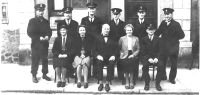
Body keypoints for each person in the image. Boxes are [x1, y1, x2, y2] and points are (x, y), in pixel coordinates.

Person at [155, 8, 185, 84]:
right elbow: (157, 33)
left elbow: (182, 35)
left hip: (173, 48)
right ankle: (163, 75)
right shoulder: (163, 23)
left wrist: (173, 39)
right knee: (162, 63)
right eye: (165, 14)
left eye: (168, 14)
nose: (167, 16)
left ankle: (172, 78)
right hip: (163, 47)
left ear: (171, 14)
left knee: (173, 64)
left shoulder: (176, 24)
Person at [27, 3, 52, 83]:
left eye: (42, 11)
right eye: (39, 11)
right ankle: (34, 75)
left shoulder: (46, 21)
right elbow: (30, 32)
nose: (41, 12)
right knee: (35, 60)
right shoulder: (32, 21)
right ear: (36, 11)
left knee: (45, 60)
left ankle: (44, 74)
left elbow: (49, 31)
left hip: (44, 44)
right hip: (36, 45)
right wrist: (38, 37)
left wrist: (48, 36)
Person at [81, 2, 103, 78]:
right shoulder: (84, 19)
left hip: (96, 41)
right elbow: (82, 30)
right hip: (87, 41)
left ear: (95, 10)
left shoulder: (99, 20)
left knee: (96, 56)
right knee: (88, 56)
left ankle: (96, 74)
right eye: (90, 8)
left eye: (93, 9)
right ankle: (88, 75)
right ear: (88, 9)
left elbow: (101, 31)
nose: (92, 10)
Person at [94, 24, 118, 92]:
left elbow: (117, 49)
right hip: (101, 57)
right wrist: (98, 56)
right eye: (105, 29)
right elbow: (94, 49)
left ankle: (107, 82)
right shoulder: (97, 38)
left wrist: (114, 56)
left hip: (110, 57)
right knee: (98, 62)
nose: (106, 30)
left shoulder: (113, 38)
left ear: (109, 30)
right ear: (102, 29)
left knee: (111, 63)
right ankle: (101, 82)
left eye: (107, 29)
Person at [57, 7, 78, 77]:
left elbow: (76, 36)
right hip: (63, 44)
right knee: (64, 57)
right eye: (66, 13)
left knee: (72, 56)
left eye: (69, 13)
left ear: (71, 14)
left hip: (72, 45)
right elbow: (59, 36)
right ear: (64, 14)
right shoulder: (60, 23)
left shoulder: (75, 23)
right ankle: (65, 72)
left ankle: (71, 72)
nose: (67, 15)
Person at [140, 23, 163, 91]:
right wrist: (148, 58)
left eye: (152, 29)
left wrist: (157, 58)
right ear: (146, 30)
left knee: (161, 66)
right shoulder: (143, 39)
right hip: (147, 58)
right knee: (145, 66)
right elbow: (143, 51)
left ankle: (158, 83)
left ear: (154, 30)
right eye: (149, 29)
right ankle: (147, 83)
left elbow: (161, 50)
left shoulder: (158, 39)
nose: (150, 31)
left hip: (156, 58)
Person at [118, 24, 140, 89]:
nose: (129, 31)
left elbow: (138, 49)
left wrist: (133, 55)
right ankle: (127, 81)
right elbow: (119, 48)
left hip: (133, 54)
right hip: (124, 55)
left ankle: (131, 81)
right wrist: (121, 54)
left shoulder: (136, 38)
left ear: (132, 31)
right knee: (126, 65)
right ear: (125, 31)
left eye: (130, 30)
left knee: (132, 66)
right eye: (127, 30)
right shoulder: (122, 38)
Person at [109, 8, 126, 83]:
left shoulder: (123, 23)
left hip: (121, 45)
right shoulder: (109, 23)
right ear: (112, 14)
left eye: (117, 14)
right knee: (111, 60)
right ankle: (111, 77)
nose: (115, 16)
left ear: (119, 14)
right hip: (112, 45)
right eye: (114, 14)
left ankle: (121, 77)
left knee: (121, 60)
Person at [132, 5, 149, 81]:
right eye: (140, 12)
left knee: (145, 62)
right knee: (135, 62)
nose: (141, 14)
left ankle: (144, 76)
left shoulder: (148, 23)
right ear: (137, 13)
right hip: (136, 46)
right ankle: (135, 77)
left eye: (143, 12)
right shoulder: (133, 23)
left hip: (145, 46)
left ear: (145, 13)